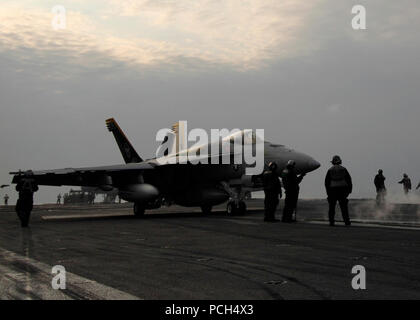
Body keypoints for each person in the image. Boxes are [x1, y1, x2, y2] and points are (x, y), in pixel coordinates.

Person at [325, 155, 352, 226]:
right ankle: (346, 221)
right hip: (342, 190)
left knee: (332, 207)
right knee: (344, 207)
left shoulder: (330, 170)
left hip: (332, 190)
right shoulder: (344, 169)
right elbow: (349, 180)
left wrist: (328, 192)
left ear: (333, 162)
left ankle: (331, 222)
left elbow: (327, 182)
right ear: (340, 161)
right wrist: (349, 190)